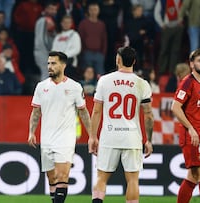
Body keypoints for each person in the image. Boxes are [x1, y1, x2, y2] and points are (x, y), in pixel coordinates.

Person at [89, 46, 154, 203]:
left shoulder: (104, 81)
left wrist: (92, 136)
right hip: (132, 137)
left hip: (109, 136)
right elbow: (148, 116)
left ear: (118, 60)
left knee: (101, 178)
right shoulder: (142, 84)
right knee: (132, 180)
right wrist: (148, 140)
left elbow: (96, 112)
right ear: (134, 61)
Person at [28, 51, 92, 203]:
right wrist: (31, 132)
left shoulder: (75, 87)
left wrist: (92, 135)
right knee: (52, 178)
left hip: (65, 138)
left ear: (63, 65)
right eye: (49, 63)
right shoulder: (41, 87)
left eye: (53, 63)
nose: (50, 66)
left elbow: (84, 113)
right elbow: (36, 112)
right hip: (47, 138)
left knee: (62, 176)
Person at [171, 48, 200, 203]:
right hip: (192, 137)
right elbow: (175, 107)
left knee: (194, 176)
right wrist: (191, 129)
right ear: (192, 64)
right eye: (199, 61)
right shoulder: (187, 83)